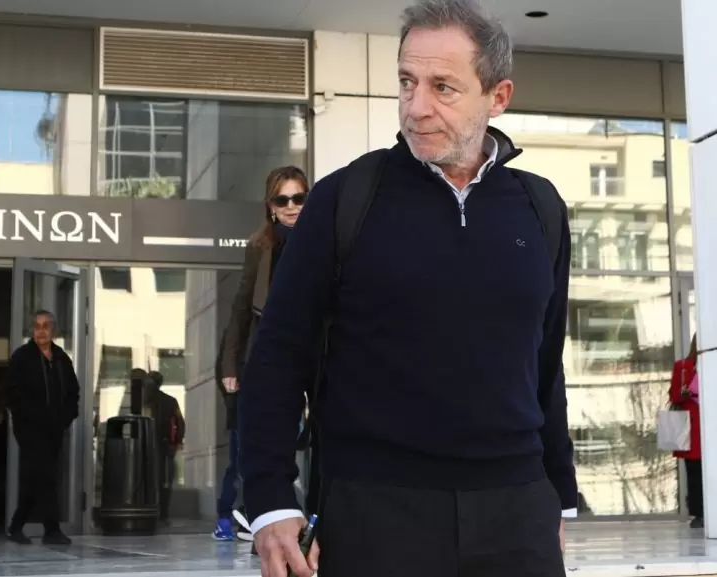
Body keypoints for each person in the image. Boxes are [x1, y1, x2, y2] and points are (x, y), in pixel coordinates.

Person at [239, 1, 576, 575]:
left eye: (443, 87)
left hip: (517, 516)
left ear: (497, 97)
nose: (416, 107)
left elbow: (544, 365)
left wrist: (560, 497)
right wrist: (271, 499)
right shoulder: (344, 199)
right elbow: (277, 354)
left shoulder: (539, 208)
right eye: (406, 82)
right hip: (373, 513)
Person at [214, 166, 310, 541]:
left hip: (316, 351)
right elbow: (240, 309)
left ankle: (315, 518)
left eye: (298, 198)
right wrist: (229, 365)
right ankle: (268, 521)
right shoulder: (261, 247)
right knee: (270, 440)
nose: (291, 206)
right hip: (273, 353)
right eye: (282, 200)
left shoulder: (323, 239)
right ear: (270, 206)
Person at [6, 310, 79, 545]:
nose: (41, 331)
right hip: (30, 430)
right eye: (37, 326)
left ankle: (17, 526)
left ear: (53, 330)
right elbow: (13, 394)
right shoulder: (22, 357)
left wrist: (65, 418)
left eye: (46, 326)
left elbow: (73, 392)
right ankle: (51, 530)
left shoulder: (61, 359)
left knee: (39, 478)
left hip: (54, 430)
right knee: (44, 476)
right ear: (32, 330)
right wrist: (28, 419)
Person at [668, 333, 702, 528]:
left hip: (713, 426)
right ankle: (698, 513)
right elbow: (674, 396)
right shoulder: (683, 366)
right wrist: (685, 393)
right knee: (694, 471)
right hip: (691, 428)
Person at [144, 370, 185, 524]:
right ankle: (162, 514)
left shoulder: (150, 402)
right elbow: (180, 423)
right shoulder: (169, 401)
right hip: (163, 446)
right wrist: (177, 442)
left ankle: (159, 513)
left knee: (160, 480)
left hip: (159, 446)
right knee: (163, 481)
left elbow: (179, 423)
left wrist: (176, 442)